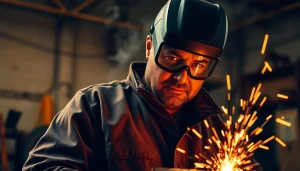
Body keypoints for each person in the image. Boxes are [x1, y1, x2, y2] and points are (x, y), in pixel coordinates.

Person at [23, 0, 259, 170]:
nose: (182, 77)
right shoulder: (95, 106)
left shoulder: (219, 130)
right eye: (173, 59)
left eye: (199, 65)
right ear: (149, 48)